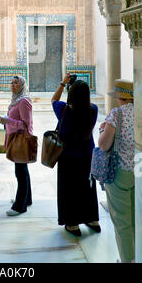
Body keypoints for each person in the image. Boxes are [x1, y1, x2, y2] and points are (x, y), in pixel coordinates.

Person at [51, 73, 99, 237]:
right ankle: (92, 220)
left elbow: (53, 100)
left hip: (68, 156)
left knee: (69, 189)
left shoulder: (63, 110)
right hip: (87, 155)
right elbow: (83, 104)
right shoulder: (93, 110)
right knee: (87, 187)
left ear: (71, 95)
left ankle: (73, 224)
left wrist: (63, 83)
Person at [98, 79, 135, 263]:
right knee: (137, 217)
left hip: (120, 172)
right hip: (139, 172)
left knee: (122, 222)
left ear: (120, 97)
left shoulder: (117, 115)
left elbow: (104, 145)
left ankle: (128, 259)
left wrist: (101, 131)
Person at [0, 76, 33, 216]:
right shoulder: (16, 100)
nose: (13, 85)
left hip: (21, 140)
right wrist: (5, 121)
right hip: (15, 138)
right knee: (23, 171)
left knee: (20, 173)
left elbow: (26, 125)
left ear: (22, 85)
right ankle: (26, 199)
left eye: (16, 83)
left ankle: (19, 206)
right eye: (11, 82)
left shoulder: (24, 101)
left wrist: (8, 120)